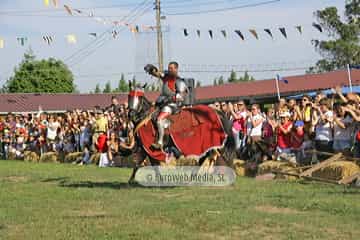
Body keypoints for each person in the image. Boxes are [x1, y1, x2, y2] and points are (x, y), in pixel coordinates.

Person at [144, 61, 188, 150]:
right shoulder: (166, 77)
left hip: (173, 105)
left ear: (176, 69)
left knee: (159, 119)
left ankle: (160, 142)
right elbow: (159, 74)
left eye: (171, 68)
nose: (169, 70)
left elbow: (182, 96)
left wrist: (171, 98)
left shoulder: (179, 81)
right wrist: (152, 70)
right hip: (163, 103)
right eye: (169, 68)